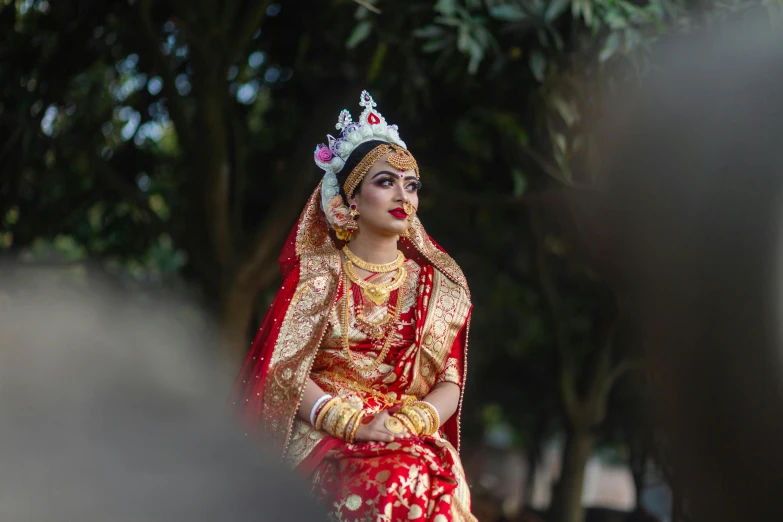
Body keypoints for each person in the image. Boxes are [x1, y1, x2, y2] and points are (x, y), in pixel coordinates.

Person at [231, 91, 476, 521]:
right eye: (386, 182)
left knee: (424, 478)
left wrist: (411, 422)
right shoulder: (320, 278)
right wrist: (354, 424)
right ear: (351, 201)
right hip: (323, 429)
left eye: (411, 184)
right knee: (391, 483)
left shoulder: (438, 287)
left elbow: (449, 382)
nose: (404, 194)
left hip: (407, 429)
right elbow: (286, 370)